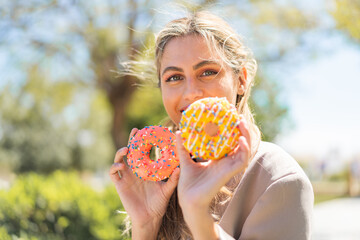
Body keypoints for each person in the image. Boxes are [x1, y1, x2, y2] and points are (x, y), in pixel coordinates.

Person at [109, 11, 314, 240]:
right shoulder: (161, 183)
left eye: (207, 72)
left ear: (242, 80)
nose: (191, 93)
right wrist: (146, 225)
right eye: (174, 77)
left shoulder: (279, 179)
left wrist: (198, 215)